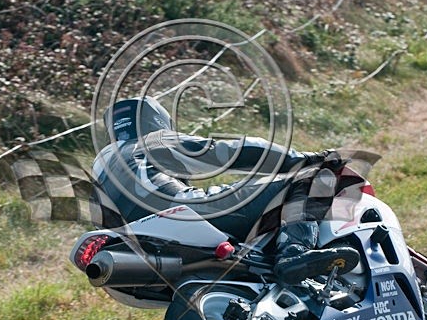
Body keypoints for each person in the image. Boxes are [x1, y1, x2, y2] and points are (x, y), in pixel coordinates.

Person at [92, 96, 359, 284]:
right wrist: (305, 158)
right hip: (180, 214)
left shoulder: (100, 166)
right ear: (156, 121)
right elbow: (232, 153)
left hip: (133, 245)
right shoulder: (152, 141)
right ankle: (294, 254)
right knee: (313, 178)